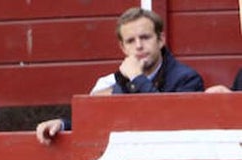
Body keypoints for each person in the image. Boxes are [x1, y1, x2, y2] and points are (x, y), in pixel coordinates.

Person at [35, 7, 204, 144]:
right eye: (131, 41)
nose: (138, 46)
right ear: (123, 48)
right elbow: (98, 121)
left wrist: (138, 79)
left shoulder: (187, 79)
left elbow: (169, 125)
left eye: (145, 37)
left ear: (160, 40)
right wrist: (63, 125)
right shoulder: (120, 79)